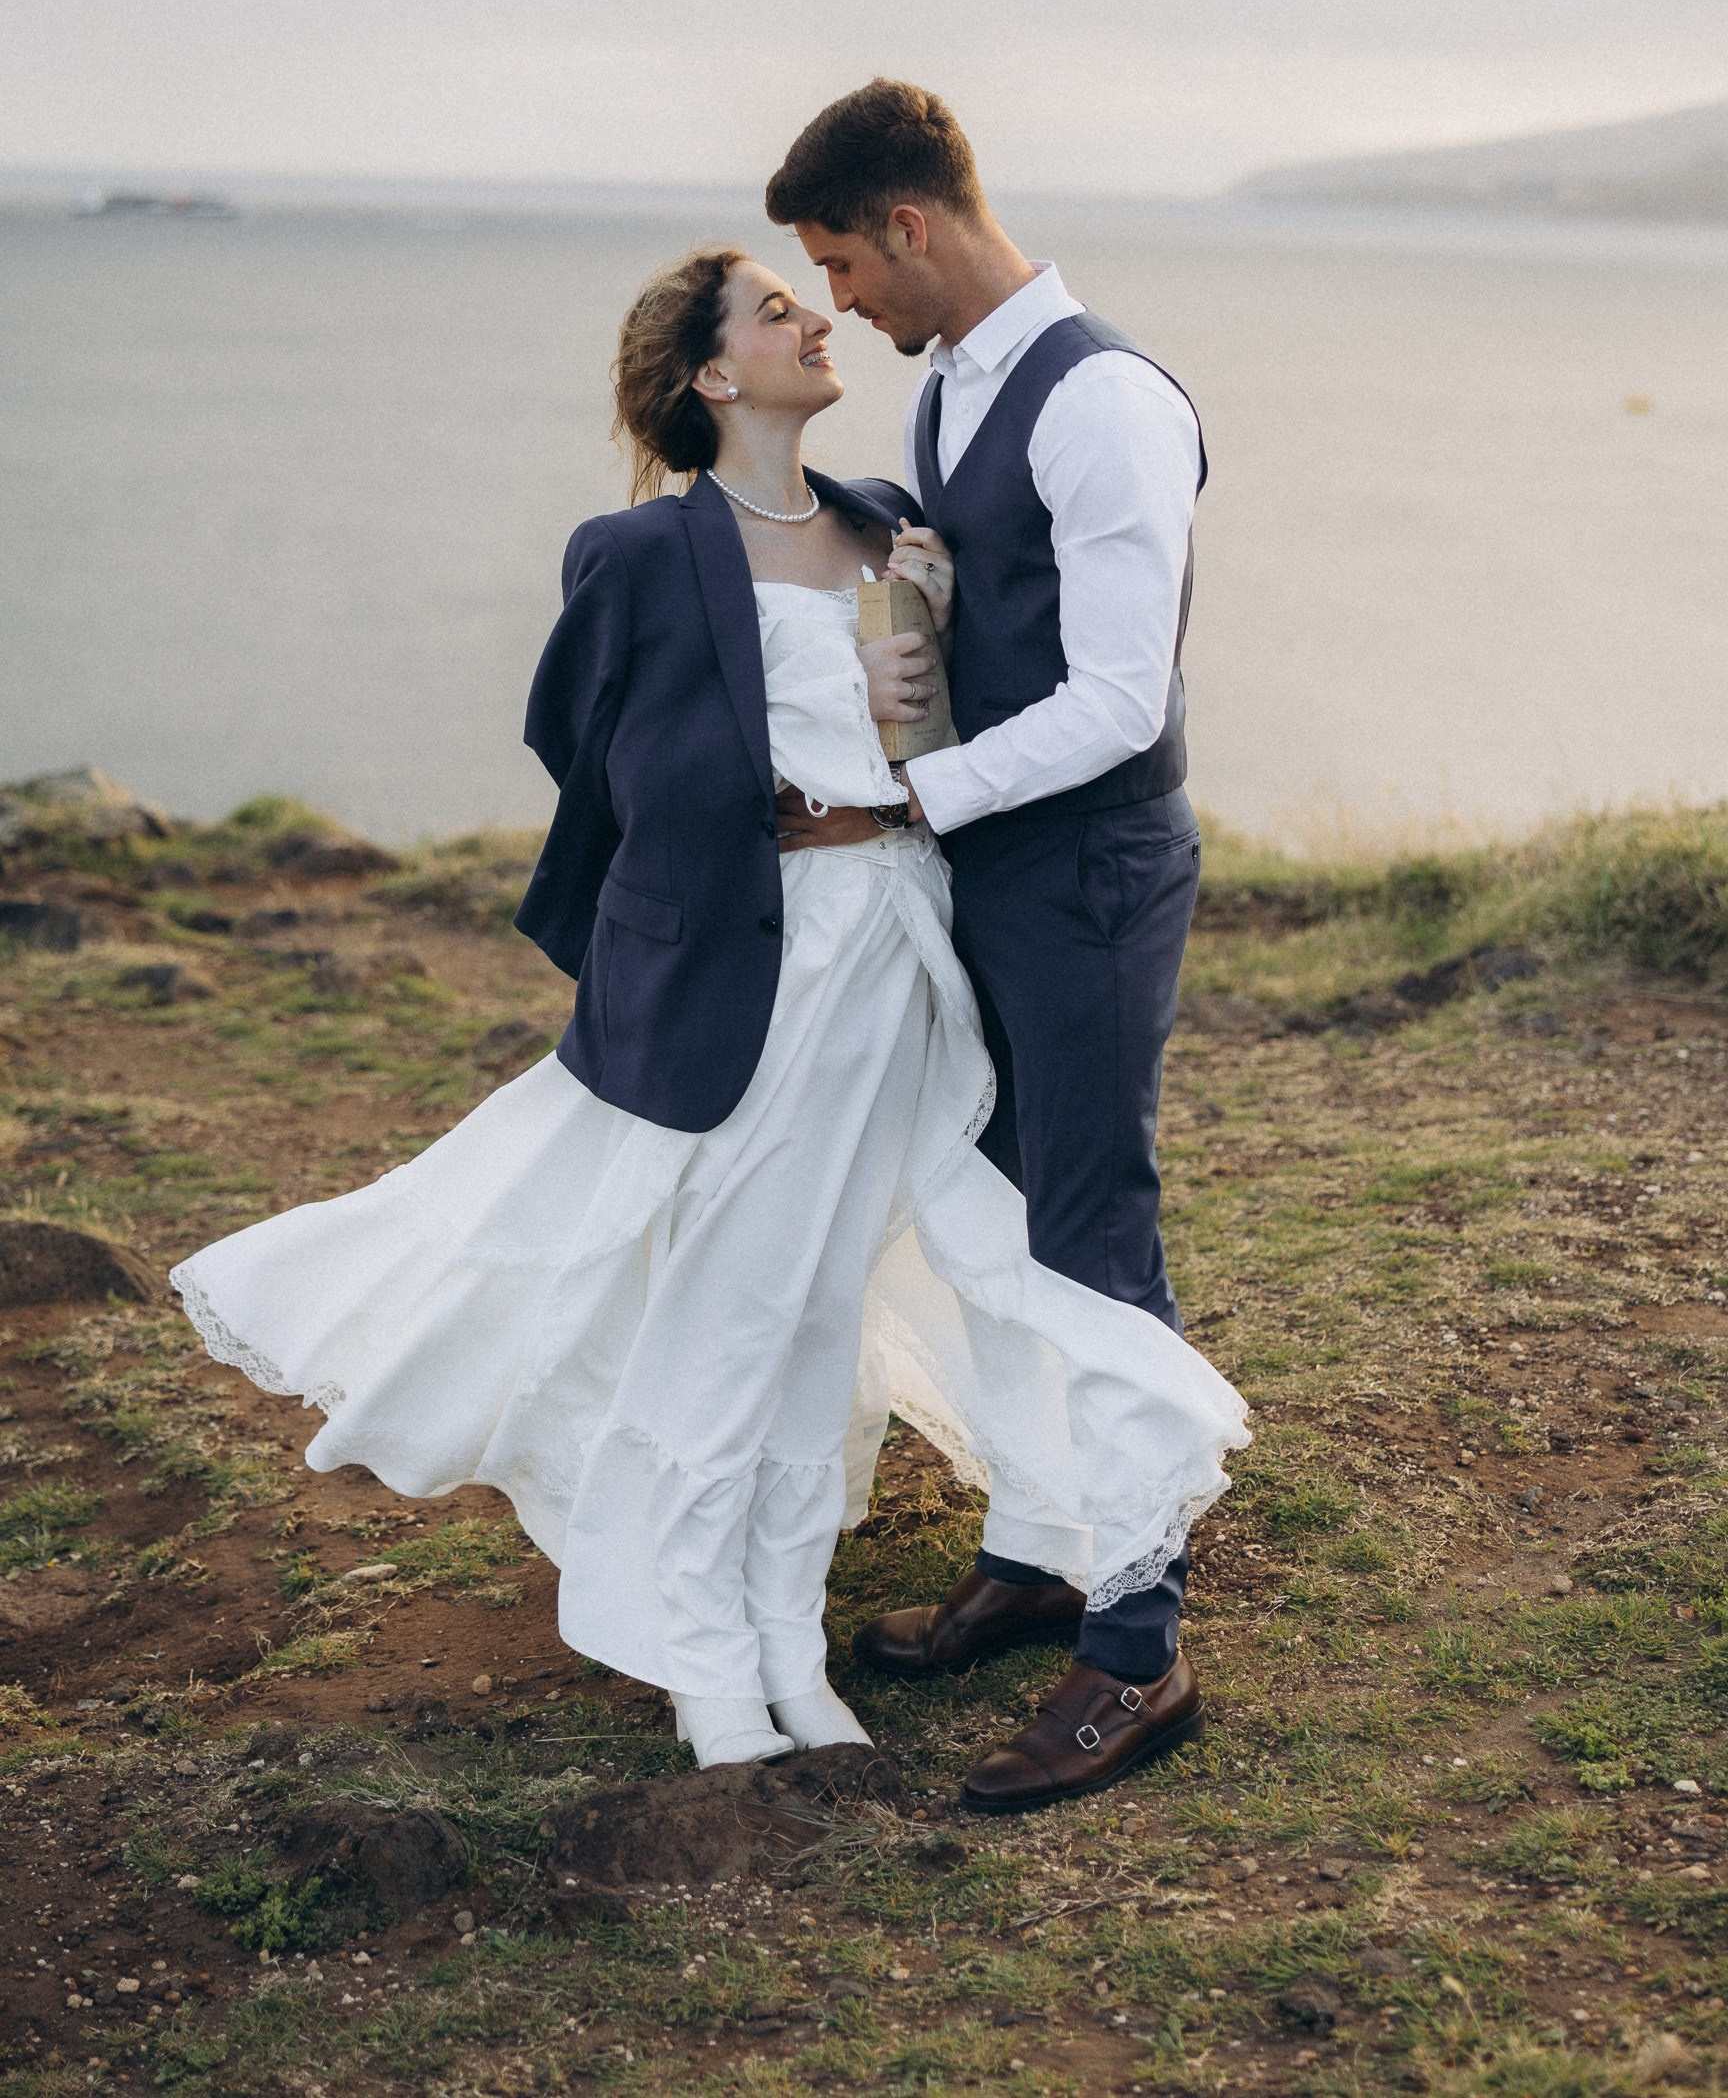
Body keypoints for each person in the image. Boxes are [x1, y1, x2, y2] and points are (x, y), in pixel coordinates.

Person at [171, 244, 1243, 1790]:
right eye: (776, 309)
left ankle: (787, 1644)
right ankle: (701, 1655)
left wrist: (906, 723)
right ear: (712, 376)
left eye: (816, 295)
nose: (817, 318)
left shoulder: (888, 525)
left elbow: (922, 729)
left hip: (900, 962)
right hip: (758, 969)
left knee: (812, 1324)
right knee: (730, 1317)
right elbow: (587, 752)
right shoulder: (637, 553)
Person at [766, 78, 1212, 1809]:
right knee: (1001, 1216)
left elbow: (1117, 697)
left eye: (840, 264)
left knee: (1093, 1226)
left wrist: (906, 803)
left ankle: (1139, 1645)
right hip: (992, 867)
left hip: (1090, 869)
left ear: (911, 224)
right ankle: (1039, 1549)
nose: (841, 306)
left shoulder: (1101, 399)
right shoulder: (955, 383)